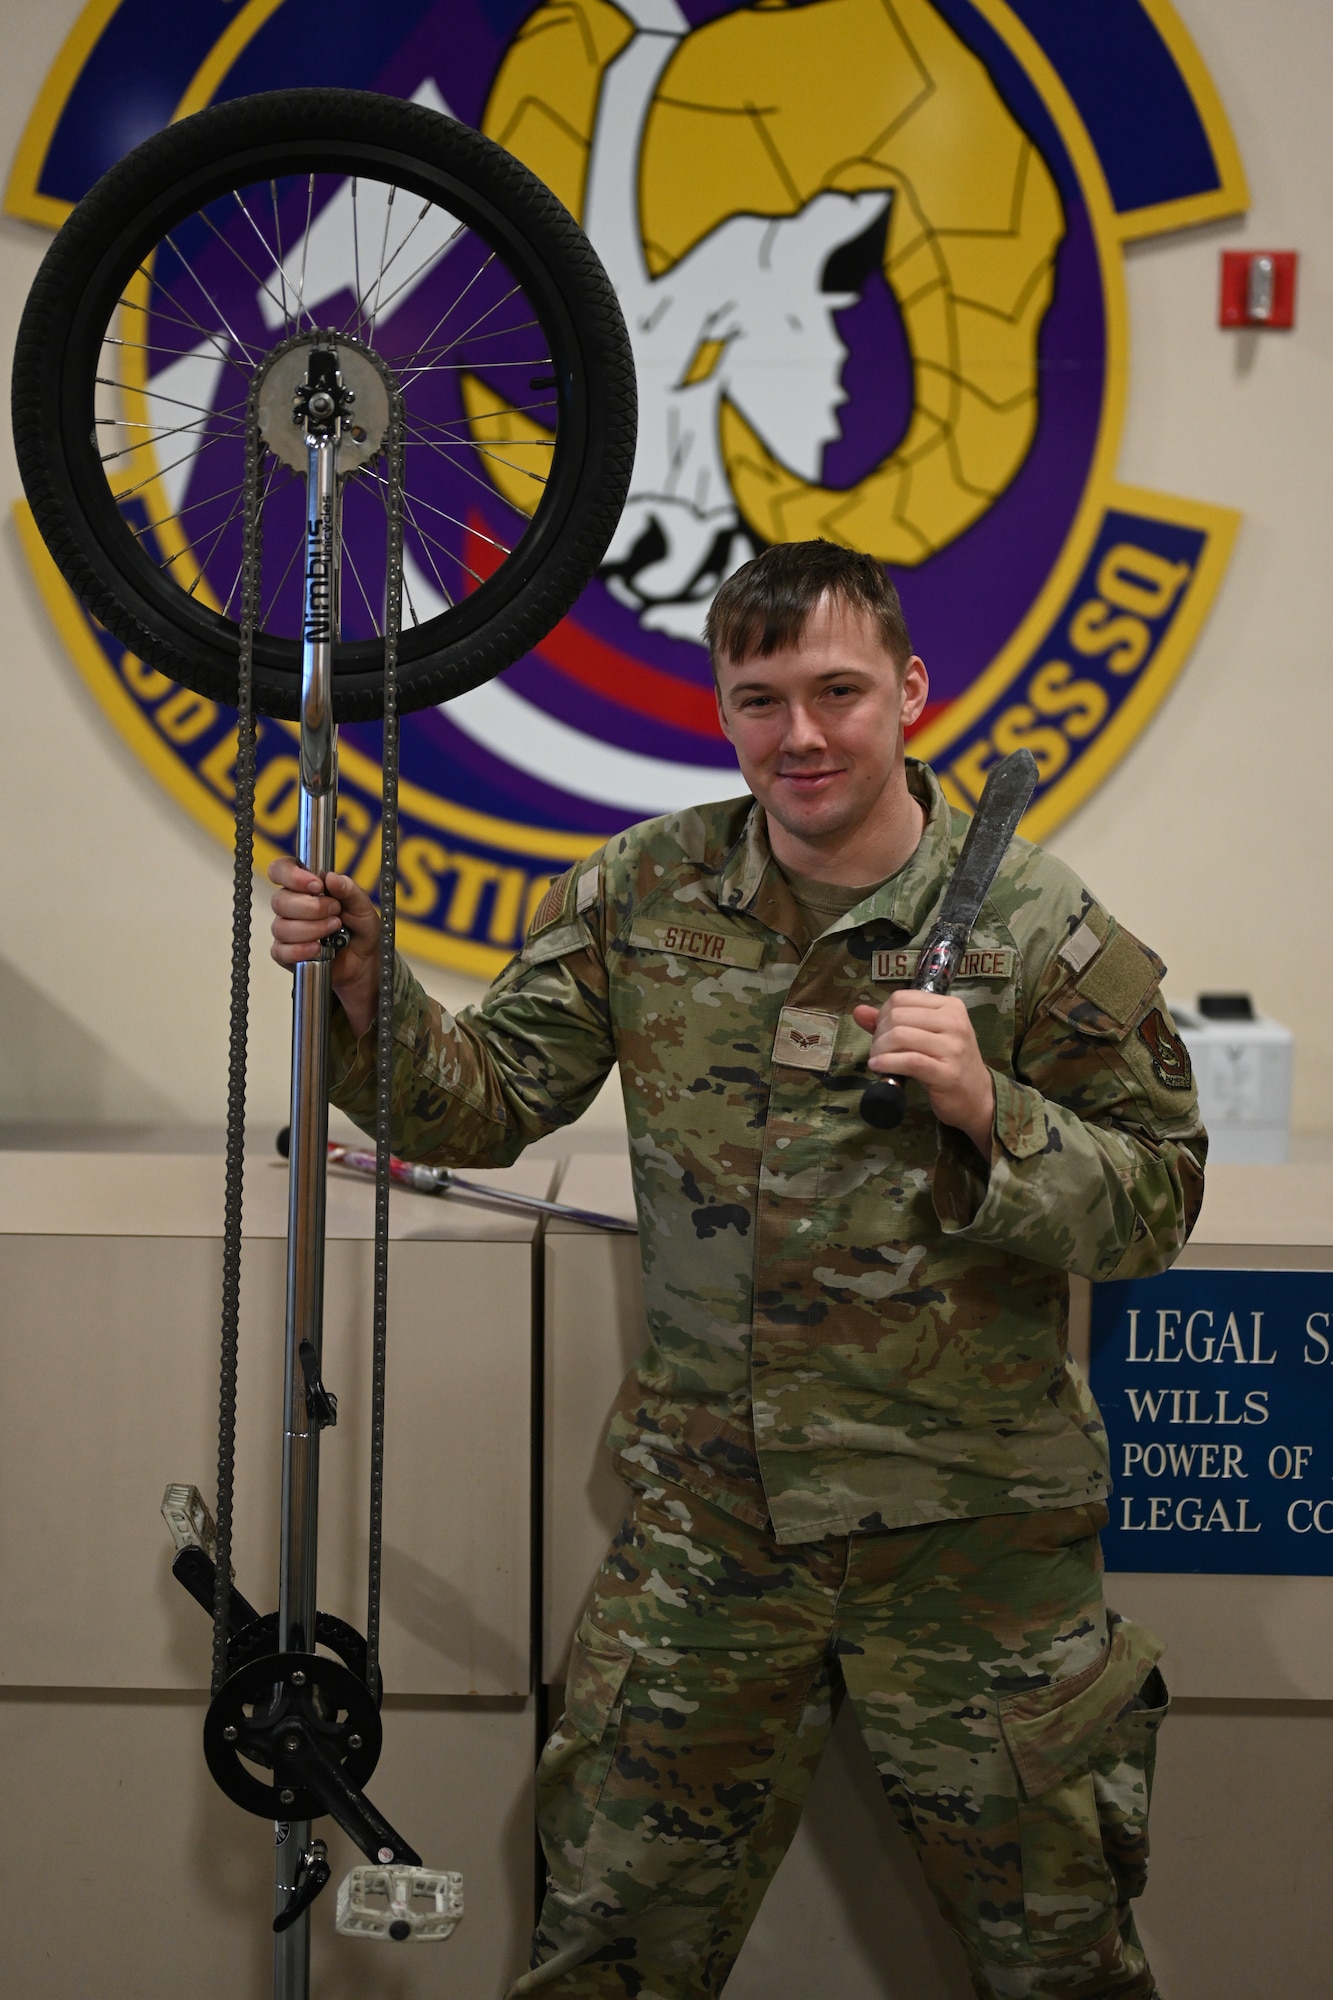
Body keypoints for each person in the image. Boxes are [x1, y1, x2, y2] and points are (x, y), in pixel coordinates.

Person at [270, 540, 1206, 2000]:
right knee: (603, 1951)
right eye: (760, 699)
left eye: (837, 690)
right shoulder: (647, 889)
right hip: (716, 1531)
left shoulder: (1035, 928)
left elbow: (1155, 1205)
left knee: (1062, 1965)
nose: (804, 735)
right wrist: (360, 988)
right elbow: (479, 1106)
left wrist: (987, 1110)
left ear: (907, 690)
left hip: (969, 1550)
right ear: (722, 712)